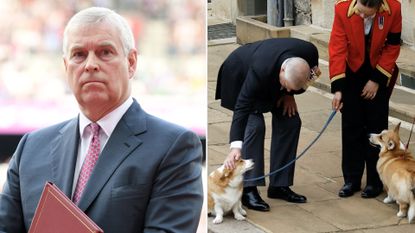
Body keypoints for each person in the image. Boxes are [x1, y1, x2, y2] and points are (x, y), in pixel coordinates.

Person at [0, 7, 203, 233]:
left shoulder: (174, 146)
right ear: (66, 67)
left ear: (131, 62)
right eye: (79, 54)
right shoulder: (31, 149)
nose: (90, 64)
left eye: (105, 52)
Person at [215, 38, 320, 211]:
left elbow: (309, 79)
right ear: (282, 70)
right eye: (286, 86)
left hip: (273, 80)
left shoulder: (310, 52)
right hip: (239, 76)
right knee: (254, 126)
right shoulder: (260, 68)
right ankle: (249, 188)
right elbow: (242, 107)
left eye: (290, 88)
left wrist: (289, 95)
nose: (287, 89)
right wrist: (235, 146)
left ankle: (279, 185)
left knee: (291, 121)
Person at [329, 0, 401, 198]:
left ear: (378, 8)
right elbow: (337, 48)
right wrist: (338, 89)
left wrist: (376, 80)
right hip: (351, 73)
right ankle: (351, 180)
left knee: (376, 129)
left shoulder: (393, 8)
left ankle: (375, 181)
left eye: (367, 15)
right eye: (360, 12)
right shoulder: (342, 9)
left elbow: (393, 46)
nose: (362, 17)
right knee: (351, 127)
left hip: (378, 72)